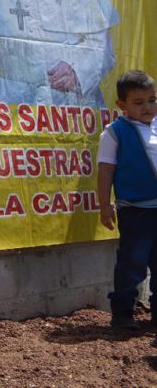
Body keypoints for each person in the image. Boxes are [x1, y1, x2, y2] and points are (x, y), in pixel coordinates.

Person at [96, 70, 157, 330]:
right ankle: (122, 314)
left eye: (152, 100)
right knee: (132, 263)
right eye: (139, 102)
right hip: (136, 211)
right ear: (122, 105)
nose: (148, 107)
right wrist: (104, 203)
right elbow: (106, 170)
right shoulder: (114, 133)